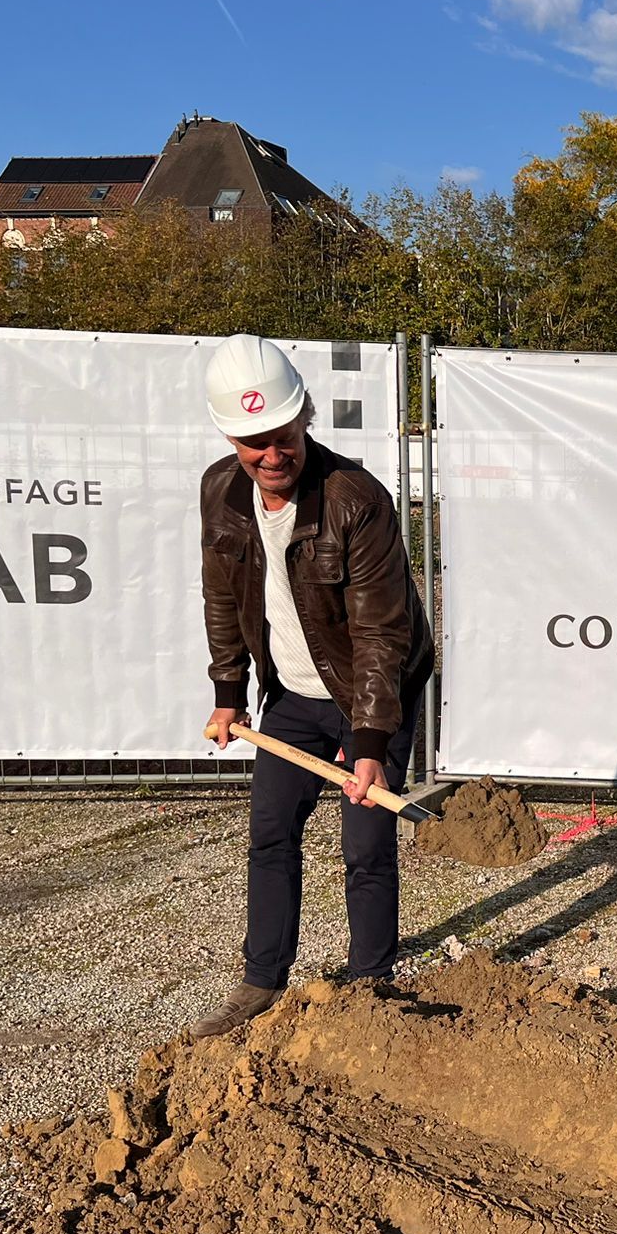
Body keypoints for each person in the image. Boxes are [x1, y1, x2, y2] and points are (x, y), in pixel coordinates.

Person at [192, 334, 432, 1039]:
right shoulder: (220, 492)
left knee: (365, 841)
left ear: (306, 420)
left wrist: (369, 743)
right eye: (253, 442)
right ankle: (261, 981)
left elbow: (381, 635)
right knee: (270, 834)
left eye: (283, 436)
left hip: (369, 690)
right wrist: (229, 692)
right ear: (231, 439)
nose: (272, 454)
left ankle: (370, 985)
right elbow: (222, 597)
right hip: (292, 695)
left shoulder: (357, 502)